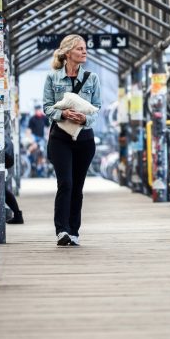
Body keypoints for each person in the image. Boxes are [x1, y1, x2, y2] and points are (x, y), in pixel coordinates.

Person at [43, 34, 101, 247]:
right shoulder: (52, 78)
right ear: (68, 53)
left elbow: (97, 107)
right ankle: (61, 231)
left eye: (85, 49)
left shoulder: (92, 78)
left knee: (77, 186)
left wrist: (85, 118)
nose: (84, 52)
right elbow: (47, 107)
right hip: (60, 138)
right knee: (65, 183)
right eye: (79, 49)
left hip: (85, 139)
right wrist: (63, 114)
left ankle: (74, 231)